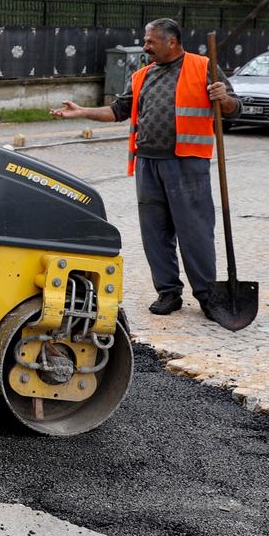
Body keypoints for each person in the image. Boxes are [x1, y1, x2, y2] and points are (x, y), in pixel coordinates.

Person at [51, 18, 238, 316]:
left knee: (195, 231)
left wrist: (224, 98)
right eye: (146, 40)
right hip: (148, 163)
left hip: (188, 163)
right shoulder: (141, 75)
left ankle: (207, 296)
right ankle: (168, 292)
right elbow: (118, 110)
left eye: (151, 41)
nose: (145, 46)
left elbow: (234, 108)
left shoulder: (203, 66)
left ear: (171, 41)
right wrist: (82, 111)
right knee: (155, 232)